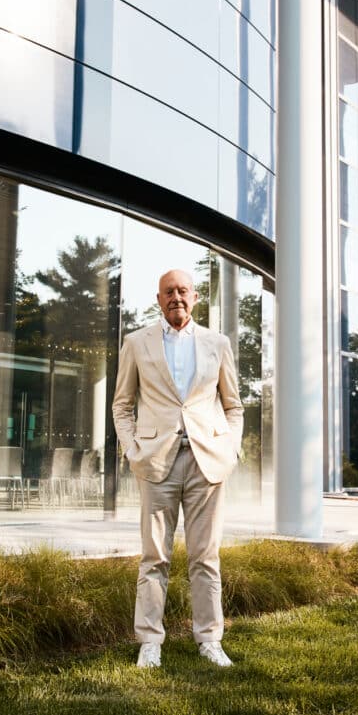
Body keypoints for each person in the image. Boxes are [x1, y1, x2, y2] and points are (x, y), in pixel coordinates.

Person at [112, 268, 244, 668]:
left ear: (195, 297)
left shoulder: (217, 344)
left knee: (206, 556)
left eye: (183, 291)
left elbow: (233, 405)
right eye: (168, 292)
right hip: (156, 461)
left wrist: (230, 450)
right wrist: (133, 449)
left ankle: (210, 640)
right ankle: (150, 642)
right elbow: (122, 404)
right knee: (155, 557)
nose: (176, 298)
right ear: (158, 299)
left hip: (207, 462)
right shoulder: (136, 343)